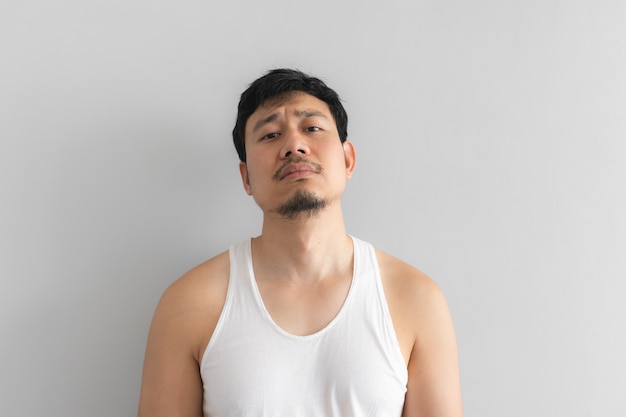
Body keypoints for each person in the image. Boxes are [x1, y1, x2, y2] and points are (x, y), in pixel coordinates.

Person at [137, 68, 463, 417]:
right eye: (271, 134)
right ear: (246, 177)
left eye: (312, 128)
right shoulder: (189, 304)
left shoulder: (415, 299)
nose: (294, 145)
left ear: (347, 159)